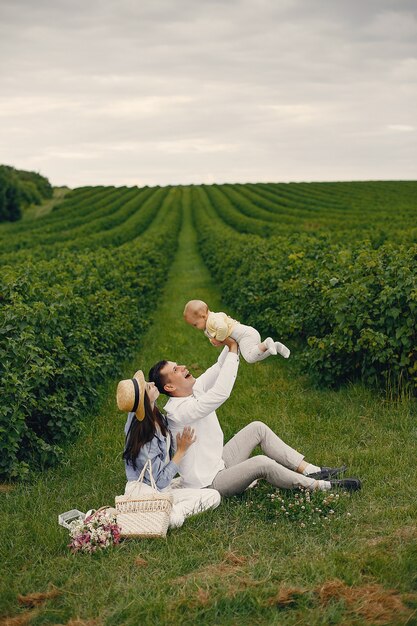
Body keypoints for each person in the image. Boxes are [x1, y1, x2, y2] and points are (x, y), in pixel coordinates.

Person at [149, 338, 361, 497]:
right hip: (210, 483)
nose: (183, 367)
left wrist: (229, 337)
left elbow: (219, 367)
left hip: (220, 464)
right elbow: (221, 393)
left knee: (257, 427)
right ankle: (321, 487)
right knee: (261, 463)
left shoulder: (193, 391)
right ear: (169, 386)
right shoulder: (180, 411)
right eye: (176, 369)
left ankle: (313, 471)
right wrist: (232, 348)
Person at [116, 369, 221, 529]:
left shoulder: (150, 414)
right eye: (147, 387)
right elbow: (159, 482)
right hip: (151, 491)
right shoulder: (147, 439)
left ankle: (167, 507)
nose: (152, 383)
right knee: (213, 496)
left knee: (195, 485)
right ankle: (169, 513)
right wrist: (181, 451)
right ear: (143, 402)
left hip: (158, 486)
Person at [183, 299, 290, 363]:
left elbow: (223, 328)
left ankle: (267, 343)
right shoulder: (210, 319)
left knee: (249, 358)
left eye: (195, 324)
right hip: (247, 334)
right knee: (256, 356)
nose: (195, 327)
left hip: (245, 336)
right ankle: (274, 346)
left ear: (203, 316)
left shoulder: (212, 320)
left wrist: (219, 340)